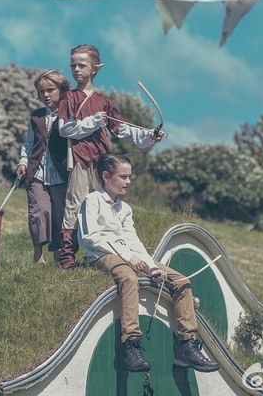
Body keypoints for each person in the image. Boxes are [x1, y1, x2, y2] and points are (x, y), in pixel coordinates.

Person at [77, 152, 220, 373]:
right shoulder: (92, 200)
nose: (128, 181)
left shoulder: (125, 209)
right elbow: (91, 237)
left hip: (128, 254)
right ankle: (130, 344)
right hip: (101, 254)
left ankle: (186, 345)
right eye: (123, 176)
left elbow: (133, 240)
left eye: (129, 176)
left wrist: (151, 266)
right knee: (128, 278)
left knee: (181, 281)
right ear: (106, 176)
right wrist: (129, 259)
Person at [52, 44, 163, 269]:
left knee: (104, 207)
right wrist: (93, 122)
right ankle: (67, 259)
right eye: (73, 65)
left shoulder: (104, 102)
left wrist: (149, 135)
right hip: (80, 159)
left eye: (82, 65)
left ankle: (99, 255)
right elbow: (65, 129)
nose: (76, 69)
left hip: (103, 163)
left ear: (95, 68)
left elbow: (122, 130)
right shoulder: (68, 98)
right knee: (75, 205)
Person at [15, 70, 70, 265]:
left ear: (62, 90)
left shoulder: (68, 115)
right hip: (36, 172)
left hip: (60, 173)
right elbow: (29, 143)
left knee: (58, 215)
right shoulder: (36, 117)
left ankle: (57, 256)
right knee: (38, 211)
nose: (46, 95)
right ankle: (38, 255)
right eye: (41, 91)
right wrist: (23, 162)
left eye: (50, 90)